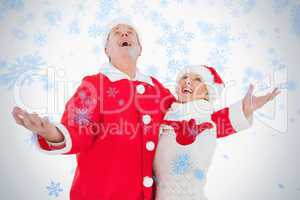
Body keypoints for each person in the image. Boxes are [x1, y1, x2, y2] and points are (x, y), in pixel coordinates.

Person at [11, 22, 277, 200]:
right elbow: (78, 129)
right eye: (117, 33)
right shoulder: (94, 85)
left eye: (131, 33)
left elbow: (193, 120)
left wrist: (240, 110)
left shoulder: (158, 91)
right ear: (107, 49)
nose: (124, 34)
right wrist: (53, 132)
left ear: (140, 49)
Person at [153, 65, 280, 200]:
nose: (188, 81)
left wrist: (245, 108)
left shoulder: (207, 120)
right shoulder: (164, 116)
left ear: (207, 93)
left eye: (197, 79)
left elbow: (227, 119)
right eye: (184, 77)